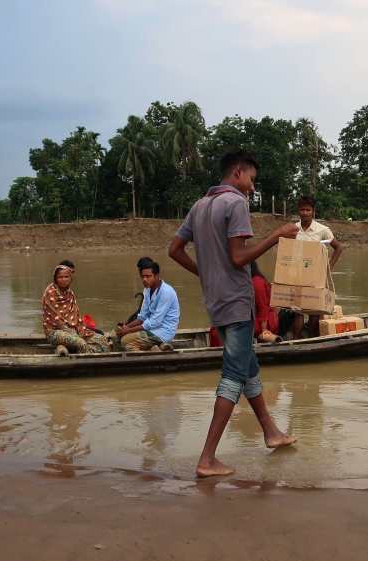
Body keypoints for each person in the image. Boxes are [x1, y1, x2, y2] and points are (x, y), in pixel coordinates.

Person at [168, 148, 299, 478]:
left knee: (248, 368)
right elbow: (240, 258)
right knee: (233, 376)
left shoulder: (200, 205)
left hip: (215, 302)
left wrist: (207, 274)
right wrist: (276, 236)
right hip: (238, 302)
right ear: (238, 172)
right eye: (252, 180)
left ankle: (271, 432)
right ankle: (207, 458)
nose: (252, 188)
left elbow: (174, 250)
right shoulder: (235, 203)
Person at [293, 194, 343, 340]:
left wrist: (328, 268)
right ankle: (296, 339)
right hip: (296, 274)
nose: (305, 213)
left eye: (308, 210)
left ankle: (311, 338)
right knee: (297, 310)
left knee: (314, 310)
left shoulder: (322, 230)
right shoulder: (292, 229)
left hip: (316, 275)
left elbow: (338, 248)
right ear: (298, 211)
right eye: (302, 209)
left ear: (313, 211)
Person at [42, 264, 112, 353]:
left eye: (66, 277)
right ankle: (86, 362)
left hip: (74, 329)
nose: (64, 279)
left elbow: (75, 315)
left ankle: (102, 360)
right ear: (55, 278)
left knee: (102, 339)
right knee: (81, 343)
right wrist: (72, 332)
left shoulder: (69, 292)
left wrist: (78, 329)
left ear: (71, 277)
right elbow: (55, 320)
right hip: (55, 331)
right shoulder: (50, 292)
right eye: (60, 277)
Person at [207, 261, 279, 346]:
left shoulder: (256, 282)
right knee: (218, 326)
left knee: (231, 327)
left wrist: (264, 329)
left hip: (266, 321)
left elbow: (262, 307)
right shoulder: (245, 282)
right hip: (252, 317)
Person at [116, 260, 180, 351]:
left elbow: (156, 321)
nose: (144, 279)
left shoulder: (166, 292)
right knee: (115, 335)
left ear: (157, 276)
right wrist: (127, 327)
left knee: (125, 341)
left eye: (148, 276)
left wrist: (129, 330)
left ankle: (141, 362)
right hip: (152, 328)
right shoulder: (148, 290)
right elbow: (143, 316)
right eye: (142, 276)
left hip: (163, 331)